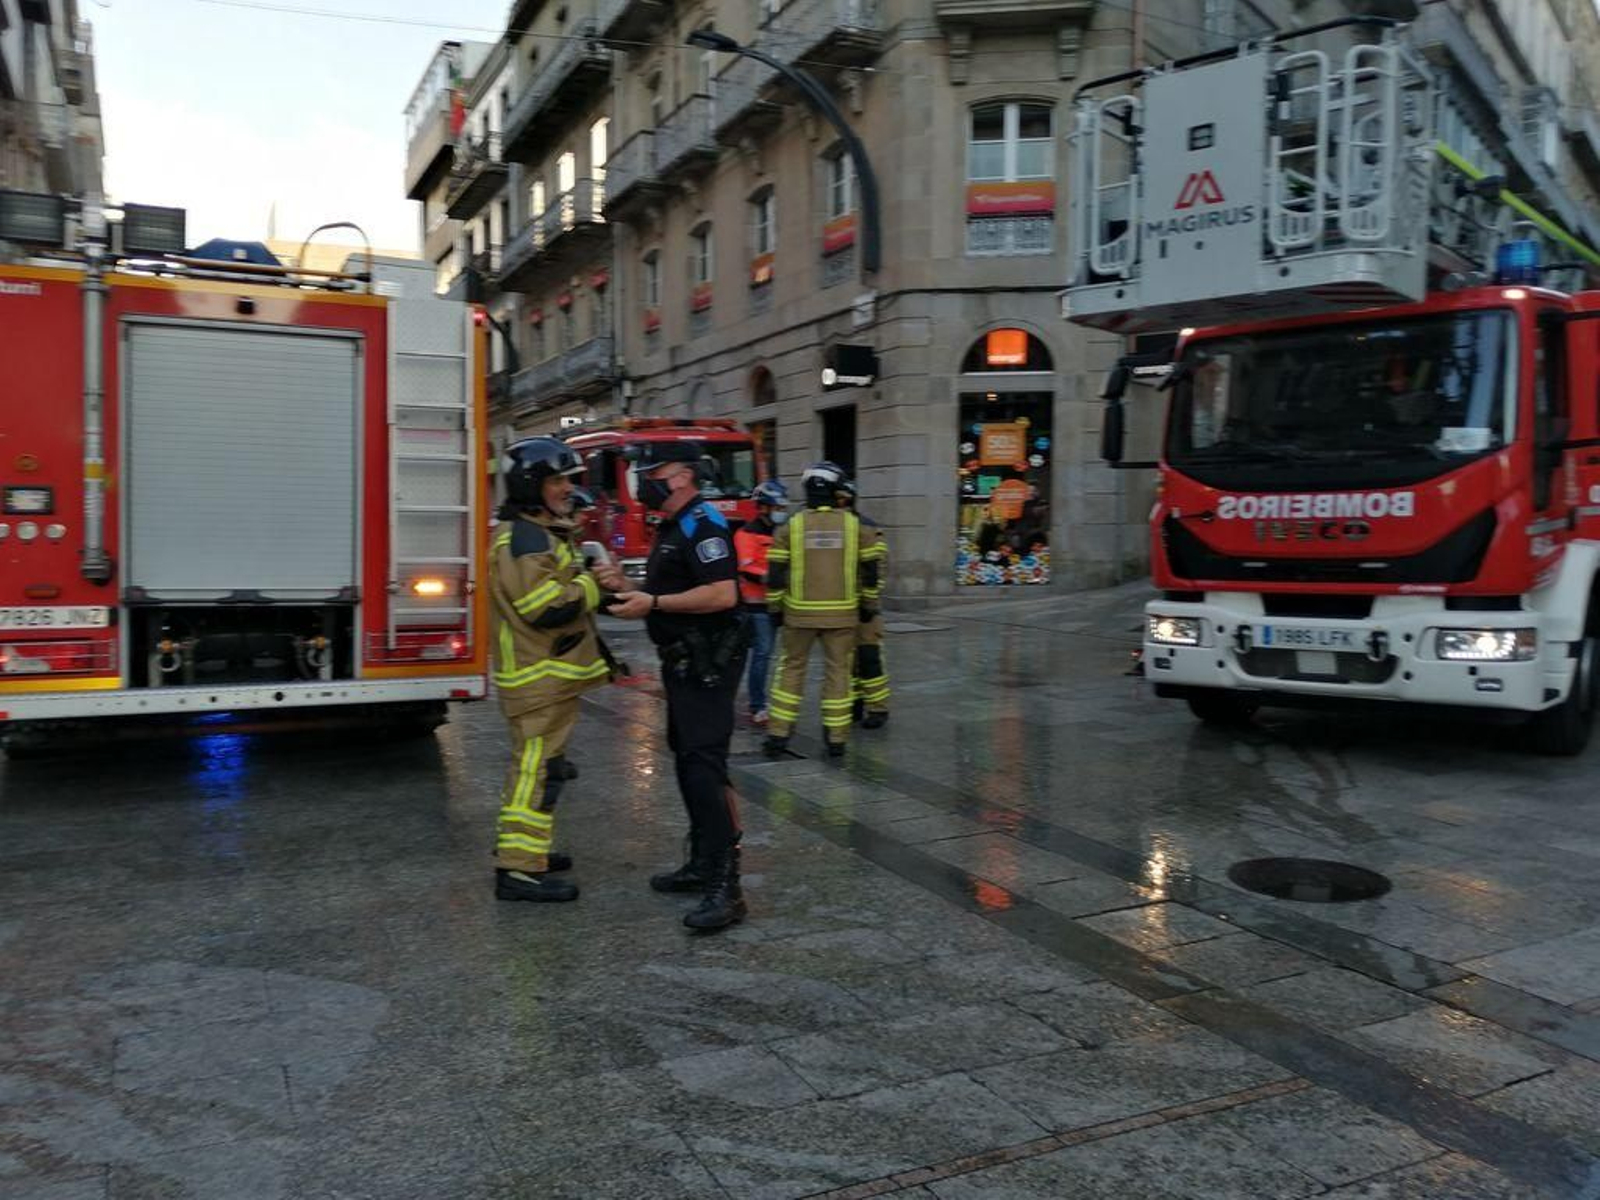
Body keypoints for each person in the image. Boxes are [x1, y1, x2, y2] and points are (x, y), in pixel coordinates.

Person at [593, 441, 750, 931]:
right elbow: (667, 589)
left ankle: (728, 886)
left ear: (682, 476)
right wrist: (622, 585)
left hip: (707, 660)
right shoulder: (669, 527)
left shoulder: (704, 525)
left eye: (652, 470)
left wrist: (653, 607)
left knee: (705, 765)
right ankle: (703, 861)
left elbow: (722, 593)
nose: (645, 479)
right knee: (687, 760)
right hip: (681, 661)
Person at [489, 438, 612, 904]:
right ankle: (518, 871)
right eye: (557, 479)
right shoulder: (524, 537)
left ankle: (527, 853)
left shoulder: (534, 532)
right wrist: (591, 583)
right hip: (538, 679)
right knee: (536, 773)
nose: (567, 488)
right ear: (531, 483)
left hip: (545, 677)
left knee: (540, 769)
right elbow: (544, 607)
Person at [764, 462, 885, 758]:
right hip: (843, 617)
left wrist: (775, 608)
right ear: (836, 490)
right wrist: (868, 605)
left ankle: (778, 734)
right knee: (839, 672)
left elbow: (776, 573)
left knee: (790, 671)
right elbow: (870, 572)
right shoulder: (856, 527)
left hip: (798, 616)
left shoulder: (790, 526)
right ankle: (837, 739)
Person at [836, 477, 890, 729]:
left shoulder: (867, 528)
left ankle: (878, 708)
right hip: (843, 606)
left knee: (869, 657)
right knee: (847, 660)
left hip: (865, 606)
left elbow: (877, 569)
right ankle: (855, 704)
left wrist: (869, 602)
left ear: (845, 499)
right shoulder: (837, 527)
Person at [734, 480, 789, 726]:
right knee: (762, 654)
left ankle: (762, 700)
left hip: (776, 604)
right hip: (755, 606)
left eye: (783, 507)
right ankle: (757, 704)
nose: (781, 511)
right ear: (764, 507)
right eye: (778, 507)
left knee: (766, 655)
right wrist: (773, 577)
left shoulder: (781, 533)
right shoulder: (746, 534)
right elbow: (746, 569)